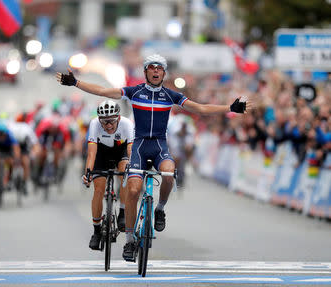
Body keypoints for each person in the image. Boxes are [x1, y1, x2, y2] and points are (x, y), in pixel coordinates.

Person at [57, 54, 250, 261]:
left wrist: (230, 108)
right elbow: (103, 91)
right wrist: (76, 83)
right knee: (132, 190)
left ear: (164, 73)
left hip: (159, 146)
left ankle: (159, 209)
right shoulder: (134, 92)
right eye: (152, 68)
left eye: (160, 69)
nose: (156, 71)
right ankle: (130, 241)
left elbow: (201, 108)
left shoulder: (170, 95)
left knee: (168, 172)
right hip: (139, 145)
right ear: (146, 72)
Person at [82, 100, 134, 250]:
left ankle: (122, 212)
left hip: (121, 150)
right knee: (98, 189)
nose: (108, 126)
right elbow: (91, 154)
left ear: (118, 118)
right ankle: (96, 231)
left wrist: (132, 169)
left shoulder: (127, 124)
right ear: (99, 120)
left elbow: (130, 151)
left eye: (111, 121)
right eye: (104, 122)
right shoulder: (94, 124)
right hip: (102, 153)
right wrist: (88, 174)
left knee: (125, 174)